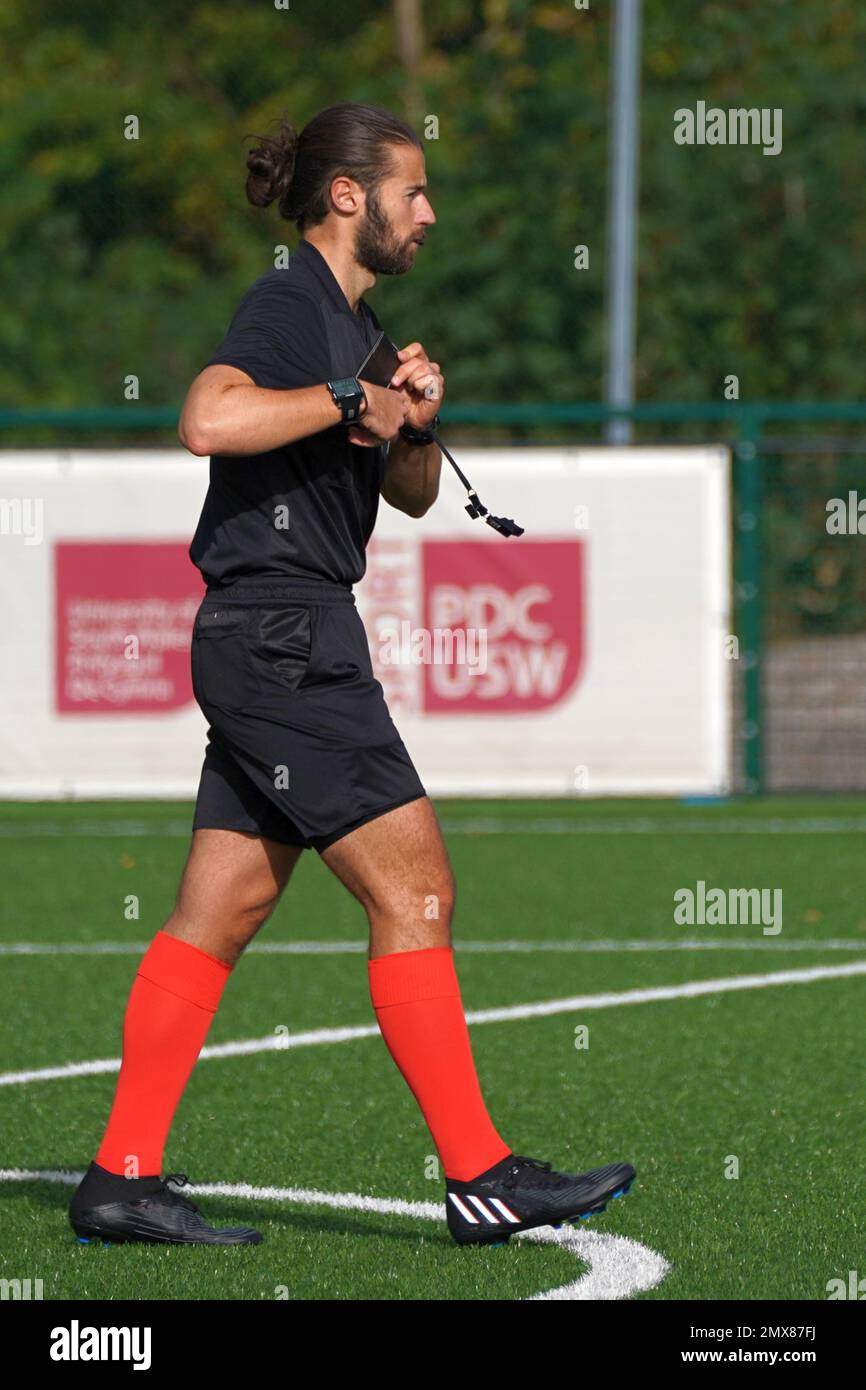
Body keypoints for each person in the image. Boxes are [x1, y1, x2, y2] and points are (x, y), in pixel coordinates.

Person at [69, 102, 635, 1249]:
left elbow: (413, 492)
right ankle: (480, 1175)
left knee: (220, 907)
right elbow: (205, 418)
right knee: (415, 892)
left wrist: (412, 417)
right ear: (347, 197)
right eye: (412, 192)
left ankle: (119, 1178)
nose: (427, 213)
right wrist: (347, 401)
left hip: (278, 636)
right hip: (284, 639)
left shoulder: (358, 326)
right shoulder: (290, 304)